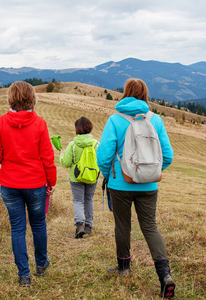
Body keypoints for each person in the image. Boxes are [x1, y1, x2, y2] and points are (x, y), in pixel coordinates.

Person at [96, 78, 176, 298]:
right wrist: (148, 172)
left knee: (123, 226)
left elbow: (103, 156)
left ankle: (124, 269)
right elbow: (167, 156)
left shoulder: (115, 120)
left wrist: (109, 174)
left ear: (126, 93)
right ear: (145, 95)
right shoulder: (156, 120)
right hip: (149, 185)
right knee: (150, 226)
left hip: (120, 184)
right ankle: (165, 275)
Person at [0, 81, 57, 287]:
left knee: (17, 228)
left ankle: (24, 275)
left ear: (10, 98)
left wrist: (6, 159)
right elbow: (48, 158)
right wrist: (51, 182)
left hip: (9, 184)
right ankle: (42, 264)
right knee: (38, 224)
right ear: (32, 98)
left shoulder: (0, 123)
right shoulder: (39, 124)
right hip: (36, 183)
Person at [60, 116, 99, 238]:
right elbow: (102, 160)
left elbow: (65, 163)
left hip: (76, 177)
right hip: (92, 176)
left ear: (77, 129)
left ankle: (79, 225)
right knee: (89, 199)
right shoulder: (96, 144)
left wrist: (61, 155)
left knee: (78, 200)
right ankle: (88, 225)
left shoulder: (73, 144)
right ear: (90, 128)